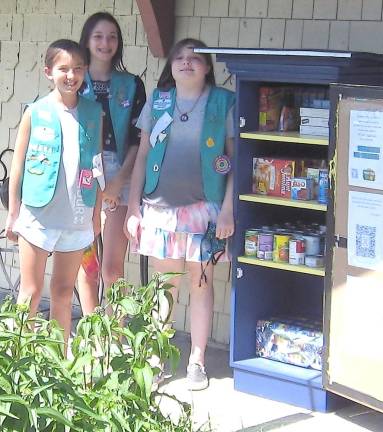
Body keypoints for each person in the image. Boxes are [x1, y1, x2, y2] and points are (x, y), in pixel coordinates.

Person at [125, 38, 235, 390]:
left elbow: (235, 162)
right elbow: (142, 156)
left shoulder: (223, 103)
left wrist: (230, 209)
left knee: (201, 285)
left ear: (207, 67)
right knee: (164, 287)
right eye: (180, 58)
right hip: (160, 210)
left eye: (196, 58)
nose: (187, 63)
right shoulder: (158, 103)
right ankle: (158, 357)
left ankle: (197, 361)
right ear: (170, 66)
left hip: (204, 211)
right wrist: (132, 207)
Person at [4, 39, 103, 343]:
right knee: (31, 292)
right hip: (38, 215)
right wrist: (13, 214)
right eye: (63, 69)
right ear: (48, 71)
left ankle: (60, 361)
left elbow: (97, 167)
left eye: (78, 69)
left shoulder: (93, 112)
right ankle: (20, 359)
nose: (71, 75)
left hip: (76, 216)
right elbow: (17, 167)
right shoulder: (35, 112)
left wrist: (96, 214)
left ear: (85, 71)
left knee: (62, 291)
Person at [77, 12, 146, 314]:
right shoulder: (75, 80)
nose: (106, 43)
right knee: (88, 264)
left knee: (112, 269)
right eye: (98, 36)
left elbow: (137, 139)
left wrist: (118, 182)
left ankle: (114, 339)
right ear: (87, 41)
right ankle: (92, 337)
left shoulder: (132, 84)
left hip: (122, 172)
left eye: (112, 37)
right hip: (82, 175)